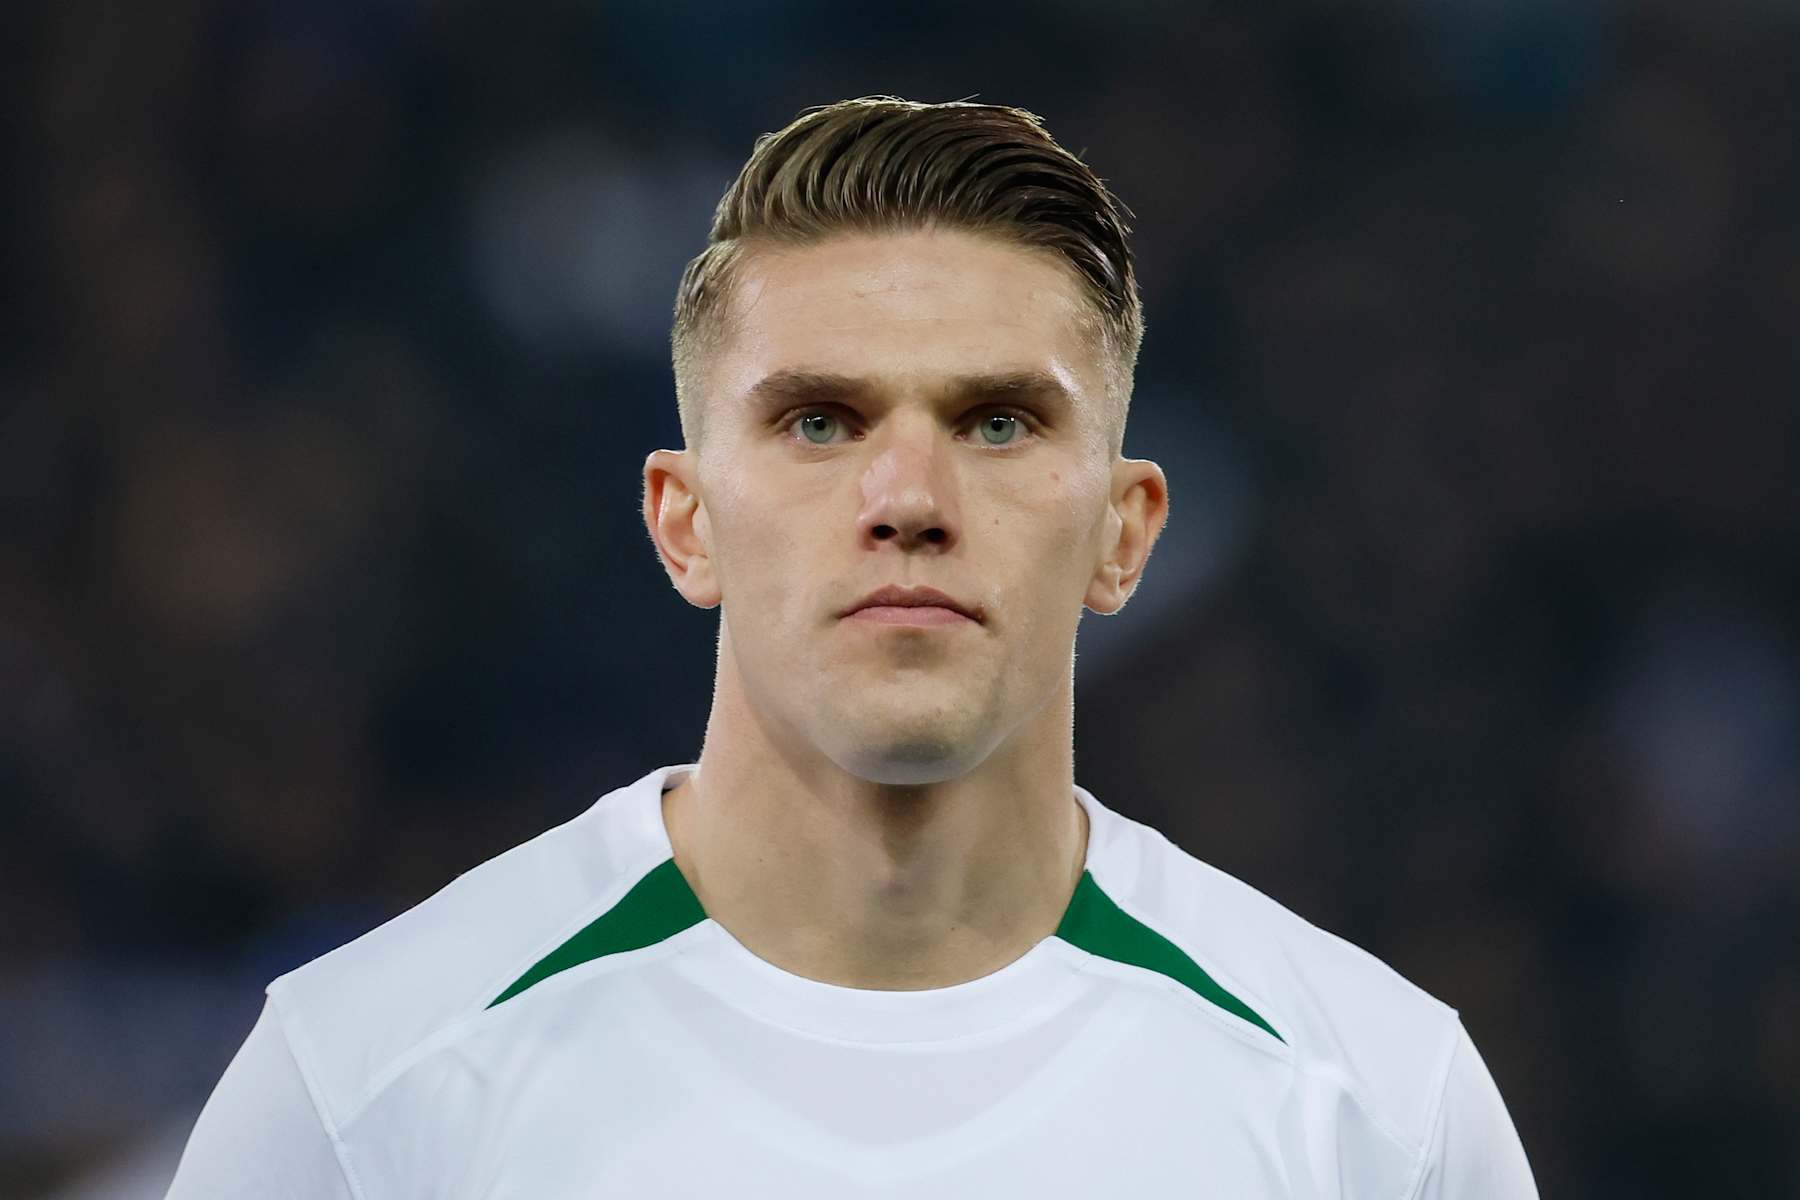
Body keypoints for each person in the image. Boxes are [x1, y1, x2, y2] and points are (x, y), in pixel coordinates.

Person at [166, 96, 1537, 1198]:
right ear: (685, 521)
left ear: (1123, 533)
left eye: (998, 422)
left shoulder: (1379, 1114)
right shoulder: (360, 1093)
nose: (909, 502)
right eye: (820, 422)